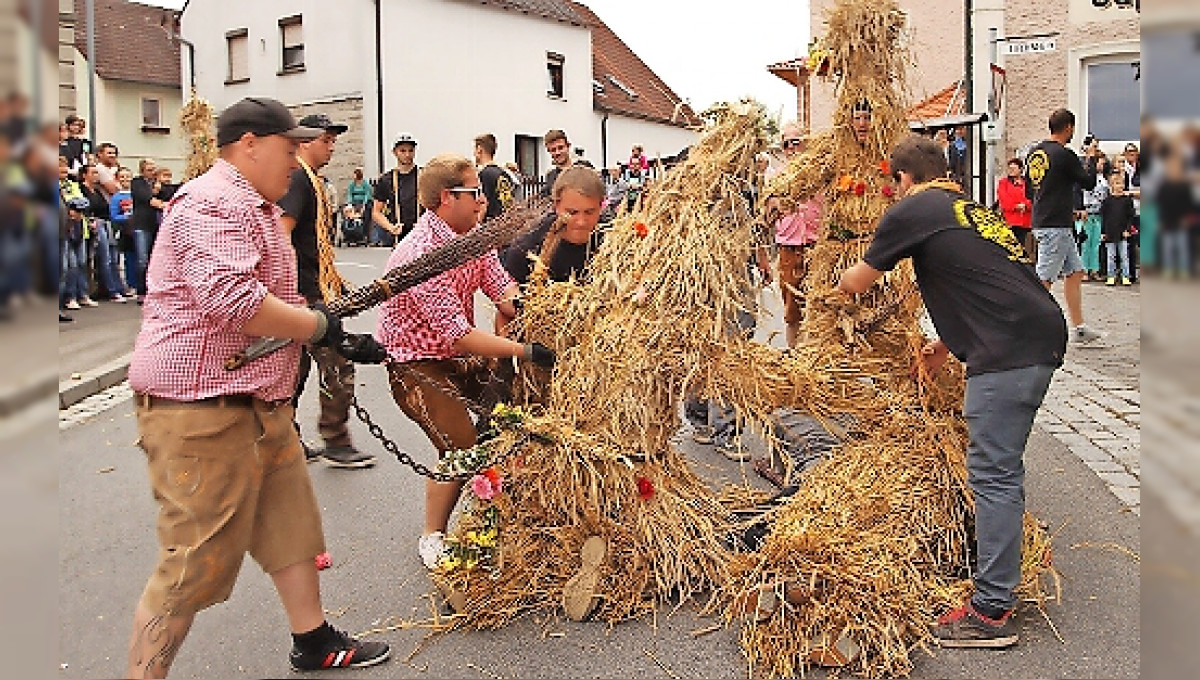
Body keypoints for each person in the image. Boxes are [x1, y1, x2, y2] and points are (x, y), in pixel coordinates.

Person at [123, 97, 391, 678]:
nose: (296, 161)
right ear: (248, 143)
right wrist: (318, 325)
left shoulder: (258, 207)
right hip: (202, 411)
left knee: (289, 526)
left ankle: (312, 640)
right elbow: (235, 302)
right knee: (191, 564)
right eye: (288, 148)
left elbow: (275, 301)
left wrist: (328, 332)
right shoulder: (212, 203)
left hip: (258, 407)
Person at [838, 134, 1066, 649]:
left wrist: (832, 282)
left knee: (992, 473)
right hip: (1037, 332)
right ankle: (1004, 572)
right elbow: (984, 279)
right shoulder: (969, 208)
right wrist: (945, 344)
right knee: (1002, 466)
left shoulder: (913, 209)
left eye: (892, 185)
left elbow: (859, 281)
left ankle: (989, 612)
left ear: (902, 179)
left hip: (1008, 350)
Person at [374, 153, 555, 570]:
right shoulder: (419, 255)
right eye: (473, 192)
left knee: (509, 421)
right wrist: (523, 350)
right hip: (416, 366)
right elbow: (459, 332)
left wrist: (540, 310)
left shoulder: (473, 238)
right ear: (444, 198)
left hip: (459, 358)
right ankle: (432, 536)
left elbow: (502, 291)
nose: (482, 200)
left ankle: (508, 524)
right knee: (461, 448)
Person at [279, 112, 376, 469]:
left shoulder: (311, 180)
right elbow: (281, 234)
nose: (332, 146)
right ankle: (335, 438)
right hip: (306, 293)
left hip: (315, 288)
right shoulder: (299, 182)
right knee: (337, 364)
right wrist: (296, 295)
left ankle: (288, 439)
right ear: (305, 141)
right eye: (326, 140)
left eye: (334, 140)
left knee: (298, 368)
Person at [1024, 108, 1102, 345]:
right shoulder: (1064, 154)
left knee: (1075, 272)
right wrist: (1090, 158)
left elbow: (1030, 190)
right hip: (1055, 225)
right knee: (1044, 279)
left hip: (1047, 219)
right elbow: (1088, 183)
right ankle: (1023, 326)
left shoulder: (1034, 153)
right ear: (1068, 127)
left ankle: (1079, 327)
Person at [763, 122, 823, 348]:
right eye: (786, 144)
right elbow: (767, 219)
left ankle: (816, 359)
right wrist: (776, 205)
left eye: (795, 142)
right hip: (788, 249)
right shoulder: (776, 178)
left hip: (817, 248)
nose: (791, 149)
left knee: (820, 309)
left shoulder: (819, 174)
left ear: (805, 144)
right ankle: (795, 357)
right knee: (792, 311)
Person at [503, 166, 606, 286]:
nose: (581, 222)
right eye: (572, 212)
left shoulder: (613, 241)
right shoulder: (526, 248)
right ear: (556, 205)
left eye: (589, 212)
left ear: (601, 206)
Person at [79, 163, 128, 302]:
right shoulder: (82, 190)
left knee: (113, 257)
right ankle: (110, 290)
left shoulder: (97, 190)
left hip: (106, 223)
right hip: (96, 224)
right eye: (93, 173)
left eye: (96, 173)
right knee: (104, 258)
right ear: (84, 175)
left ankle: (116, 288)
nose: (96, 176)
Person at [371, 133, 420, 247]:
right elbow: (376, 212)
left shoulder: (424, 176)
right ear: (395, 152)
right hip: (399, 237)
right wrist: (390, 227)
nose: (407, 155)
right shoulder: (386, 180)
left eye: (411, 150)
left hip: (421, 235)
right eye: (403, 151)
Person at [130, 158, 167, 299]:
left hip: (155, 225)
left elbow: (168, 193)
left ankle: (154, 288)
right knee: (142, 260)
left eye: (154, 169)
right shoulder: (137, 182)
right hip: (141, 225)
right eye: (149, 170)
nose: (152, 172)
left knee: (154, 259)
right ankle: (141, 291)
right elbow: (149, 200)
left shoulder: (157, 183)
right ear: (142, 170)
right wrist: (167, 205)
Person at [1157, 149, 1196, 279]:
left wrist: (1187, 218)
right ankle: (1169, 269)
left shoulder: (1184, 186)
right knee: (1168, 247)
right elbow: (1160, 204)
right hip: (1167, 221)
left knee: (1182, 247)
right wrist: (1161, 220)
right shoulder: (1164, 186)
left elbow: (1189, 204)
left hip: (1182, 221)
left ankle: (1183, 269)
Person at [1099, 165, 1136, 285]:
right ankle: (1111, 275)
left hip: (1122, 232)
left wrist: (1127, 230)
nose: (1119, 186)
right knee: (1111, 256)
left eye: (1121, 183)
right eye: (1116, 183)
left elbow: (1130, 216)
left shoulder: (1127, 201)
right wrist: (1103, 232)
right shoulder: (1107, 202)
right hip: (1110, 232)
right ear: (1111, 186)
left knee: (1124, 256)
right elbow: (1103, 218)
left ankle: (1125, 275)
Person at [1077, 149, 1109, 281]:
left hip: (1099, 213)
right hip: (1087, 213)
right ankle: (1084, 269)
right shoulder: (1086, 177)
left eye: (1103, 163)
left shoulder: (1105, 179)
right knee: (1085, 243)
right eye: (1099, 163)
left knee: (1096, 243)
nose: (1101, 165)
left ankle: (1094, 269)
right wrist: (1081, 208)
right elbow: (1079, 193)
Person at [474, 133, 516, 221]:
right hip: (505, 224)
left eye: (474, 150)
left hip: (490, 226)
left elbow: (482, 204)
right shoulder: (505, 174)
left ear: (479, 149)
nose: (474, 154)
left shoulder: (484, 174)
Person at [995, 157, 1033, 253]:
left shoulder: (1028, 184)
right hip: (1009, 220)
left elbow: (1033, 198)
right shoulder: (1004, 183)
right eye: (1009, 169)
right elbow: (1003, 199)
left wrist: (1026, 205)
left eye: (1014, 169)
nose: (1011, 171)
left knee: (1023, 247)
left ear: (1021, 170)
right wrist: (1016, 206)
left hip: (1025, 221)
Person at [540, 129, 588, 198]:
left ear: (568, 146)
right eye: (553, 150)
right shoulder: (551, 176)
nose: (557, 152)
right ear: (549, 152)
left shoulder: (584, 168)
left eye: (561, 148)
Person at [60, 114, 92, 179]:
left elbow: (87, 154)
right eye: (74, 125)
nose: (76, 127)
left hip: (81, 168)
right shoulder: (65, 141)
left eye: (78, 125)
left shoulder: (85, 142)